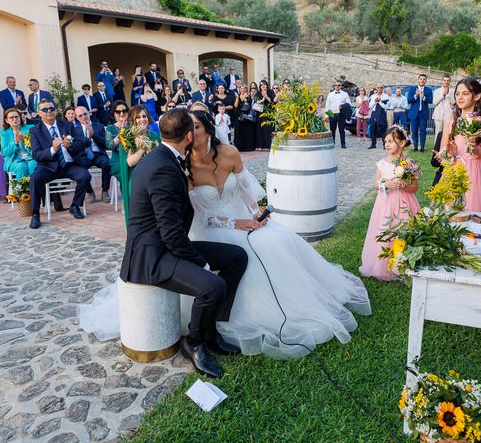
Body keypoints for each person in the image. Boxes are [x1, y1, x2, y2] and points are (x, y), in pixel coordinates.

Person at [187, 109, 371, 358]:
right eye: (188, 127)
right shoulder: (185, 165)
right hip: (212, 228)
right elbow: (200, 215)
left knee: (279, 238)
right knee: (252, 251)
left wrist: (255, 214)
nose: (192, 131)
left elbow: (245, 189)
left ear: (208, 128)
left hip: (245, 219)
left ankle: (303, 301)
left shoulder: (229, 153)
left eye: (196, 126)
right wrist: (235, 223)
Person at [115, 107, 248, 378]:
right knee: (213, 286)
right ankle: (195, 342)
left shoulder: (164, 156)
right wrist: (202, 263)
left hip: (165, 245)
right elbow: (171, 234)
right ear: (188, 135)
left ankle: (210, 330)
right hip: (151, 256)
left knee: (237, 256)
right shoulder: (162, 168)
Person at [360, 125, 420, 280]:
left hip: (405, 203)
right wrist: (385, 185)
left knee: (403, 229)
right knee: (386, 230)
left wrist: (405, 186)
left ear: (401, 143)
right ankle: (383, 264)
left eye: (391, 141)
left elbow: (414, 187)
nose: (387, 144)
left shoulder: (409, 163)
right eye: (385, 141)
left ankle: (403, 261)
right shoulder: (382, 163)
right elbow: (375, 184)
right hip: (385, 205)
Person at [441, 77, 481, 214]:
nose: (460, 97)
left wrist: (475, 150)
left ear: (477, 96)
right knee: (452, 214)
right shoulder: (450, 119)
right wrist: (450, 152)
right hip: (454, 170)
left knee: (475, 210)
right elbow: (442, 153)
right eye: (457, 94)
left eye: (465, 93)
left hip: (476, 171)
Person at [28, 99, 91, 229]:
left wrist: (71, 145)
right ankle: (35, 214)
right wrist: (53, 149)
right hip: (48, 166)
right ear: (39, 113)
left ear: (56, 110)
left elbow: (82, 143)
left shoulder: (67, 125)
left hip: (68, 164)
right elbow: (36, 154)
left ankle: (75, 206)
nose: (48, 111)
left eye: (51, 108)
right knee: (35, 178)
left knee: (85, 176)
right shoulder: (35, 131)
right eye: (44, 110)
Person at [119, 105, 161, 226]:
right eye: (138, 117)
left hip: (154, 177)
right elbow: (130, 162)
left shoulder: (154, 136)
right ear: (133, 119)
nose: (142, 119)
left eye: (144, 116)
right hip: (137, 179)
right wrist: (142, 149)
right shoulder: (128, 136)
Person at [73, 106, 112, 203]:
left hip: (98, 153)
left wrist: (94, 135)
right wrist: (86, 138)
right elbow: (76, 147)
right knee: (79, 167)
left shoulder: (99, 126)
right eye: (80, 115)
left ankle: (105, 190)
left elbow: (105, 144)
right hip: (84, 154)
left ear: (89, 113)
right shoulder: (75, 130)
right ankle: (89, 191)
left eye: (85, 114)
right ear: (77, 118)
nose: (83, 117)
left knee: (107, 164)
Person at [1, 107, 37, 179]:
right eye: (11, 117)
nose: (15, 119)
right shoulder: (4, 133)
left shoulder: (31, 128)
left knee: (33, 165)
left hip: (31, 157)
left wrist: (27, 141)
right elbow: (4, 152)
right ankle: (21, 189)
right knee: (21, 166)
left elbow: (38, 144)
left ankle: (35, 189)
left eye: (16, 117)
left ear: (20, 118)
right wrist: (15, 143)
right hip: (14, 160)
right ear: (6, 120)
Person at [105, 101, 129, 195]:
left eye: (124, 111)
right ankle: (127, 203)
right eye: (118, 112)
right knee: (127, 178)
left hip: (133, 158)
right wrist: (121, 133)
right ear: (114, 114)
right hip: (118, 160)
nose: (122, 114)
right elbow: (110, 145)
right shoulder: (110, 128)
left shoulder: (132, 126)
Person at [407, 74, 433, 152]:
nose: (422, 80)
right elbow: (409, 100)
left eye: (424, 79)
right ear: (418, 80)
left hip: (423, 114)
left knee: (423, 131)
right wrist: (416, 95)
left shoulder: (428, 90)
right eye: (421, 79)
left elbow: (431, 100)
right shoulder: (412, 89)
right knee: (414, 131)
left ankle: (422, 147)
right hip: (414, 114)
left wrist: (423, 97)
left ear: (426, 81)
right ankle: (415, 147)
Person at [325, 80, 351, 148]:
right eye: (335, 85)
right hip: (332, 114)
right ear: (334, 86)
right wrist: (327, 115)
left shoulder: (345, 94)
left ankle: (343, 144)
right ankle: (332, 143)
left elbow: (348, 104)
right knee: (332, 130)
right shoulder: (330, 94)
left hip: (341, 114)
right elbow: (327, 105)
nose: (337, 86)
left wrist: (342, 106)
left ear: (341, 86)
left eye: (338, 85)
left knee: (342, 130)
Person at [367, 85, 389, 149]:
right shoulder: (373, 96)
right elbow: (370, 106)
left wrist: (379, 102)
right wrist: (375, 101)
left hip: (382, 113)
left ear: (383, 88)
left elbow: (386, 107)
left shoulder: (385, 96)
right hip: (374, 113)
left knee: (383, 129)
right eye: (378, 87)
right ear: (376, 88)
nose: (379, 89)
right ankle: (373, 144)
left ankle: (385, 145)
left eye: (381, 87)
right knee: (373, 129)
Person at [235, 84, 255, 151]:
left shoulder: (249, 96)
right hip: (238, 114)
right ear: (239, 89)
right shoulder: (237, 95)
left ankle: (247, 147)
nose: (243, 90)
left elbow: (248, 105)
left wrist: (245, 99)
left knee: (246, 130)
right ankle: (239, 147)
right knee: (239, 130)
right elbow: (235, 105)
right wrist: (238, 97)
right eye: (241, 88)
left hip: (246, 115)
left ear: (246, 89)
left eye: (244, 88)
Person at [256, 80, 275, 151]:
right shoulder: (258, 93)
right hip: (260, 114)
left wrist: (266, 96)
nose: (263, 86)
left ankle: (268, 145)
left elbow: (273, 102)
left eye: (264, 84)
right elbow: (256, 101)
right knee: (260, 130)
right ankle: (261, 145)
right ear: (259, 87)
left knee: (268, 129)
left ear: (267, 85)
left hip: (269, 113)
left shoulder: (271, 92)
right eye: (261, 85)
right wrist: (261, 100)